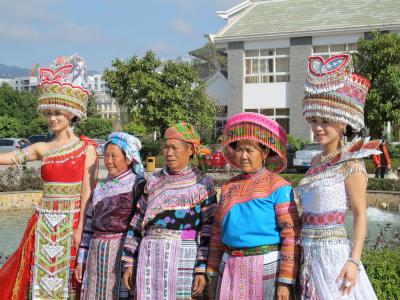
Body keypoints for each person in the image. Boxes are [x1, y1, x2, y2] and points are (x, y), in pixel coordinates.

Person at [0, 54, 98, 299]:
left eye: (59, 114)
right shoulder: (41, 148)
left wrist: (81, 230)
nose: (53, 118)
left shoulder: (87, 149)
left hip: (72, 222)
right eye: (50, 113)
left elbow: (88, 194)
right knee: (37, 279)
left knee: (69, 282)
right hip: (43, 223)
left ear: (72, 114)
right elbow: (11, 158)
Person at [298, 53, 379, 299]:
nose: (318, 128)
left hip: (334, 255)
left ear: (343, 123)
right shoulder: (314, 162)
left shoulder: (351, 163)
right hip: (307, 253)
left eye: (326, 121)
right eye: (314, 120)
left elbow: (360, 214)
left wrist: (353, 262)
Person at [206, 112, 301, 300]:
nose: (243, 156)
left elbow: (290, 234)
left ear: (264, 153)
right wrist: (212, 270)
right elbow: (217, 232)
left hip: (266, 268)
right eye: (239, 149)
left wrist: (285, 280)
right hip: (230, 267)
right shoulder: (228, 187)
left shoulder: (279, 186)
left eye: (249, 150)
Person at [122, 122, 217, 299]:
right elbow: (137, 221)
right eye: (166, 147)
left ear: (190, 151)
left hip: (185, 257)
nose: (169, 152)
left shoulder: (203, 182)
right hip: (150, 256)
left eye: (174, 147)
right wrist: (129, 261)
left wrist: (200, 268)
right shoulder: (153, 180)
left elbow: (208, 229)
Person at [76, 132, 146, 300]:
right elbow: (89, 225)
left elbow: (139, 226)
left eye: (114, 156)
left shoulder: (138, 185)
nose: (108, 161)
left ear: (129, 158)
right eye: (106, 156)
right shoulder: (100, 186)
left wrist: (132, 261)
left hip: (121, 252)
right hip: (96, 251)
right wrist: (81, 259)